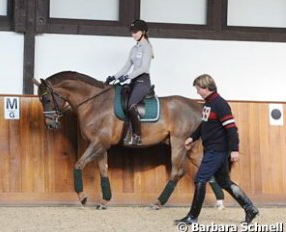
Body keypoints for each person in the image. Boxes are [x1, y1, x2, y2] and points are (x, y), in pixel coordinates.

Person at [174, 74, 259, 225]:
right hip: (212, 149)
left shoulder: (220, 104)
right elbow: (204, 125)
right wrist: (192, 137)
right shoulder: (208, 104)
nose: (197, 92)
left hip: (218, 150)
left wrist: (234, 149)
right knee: (224, 182)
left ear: (206, 88)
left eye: (198, 89)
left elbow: (232, 129)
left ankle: (192, 217)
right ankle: (250, 209)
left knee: (200, 179)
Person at [105, 19, 154, 145]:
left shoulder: (147, 48)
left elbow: (143, 68)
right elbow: (126, 66)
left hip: (143, 81)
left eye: (135, 32)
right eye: (132, 32)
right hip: (134, 80)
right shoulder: (134, 49)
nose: (133, 34)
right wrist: (114, 77)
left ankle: (137, 135)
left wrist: (126, 77)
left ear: (143, 32)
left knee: (131, 104)